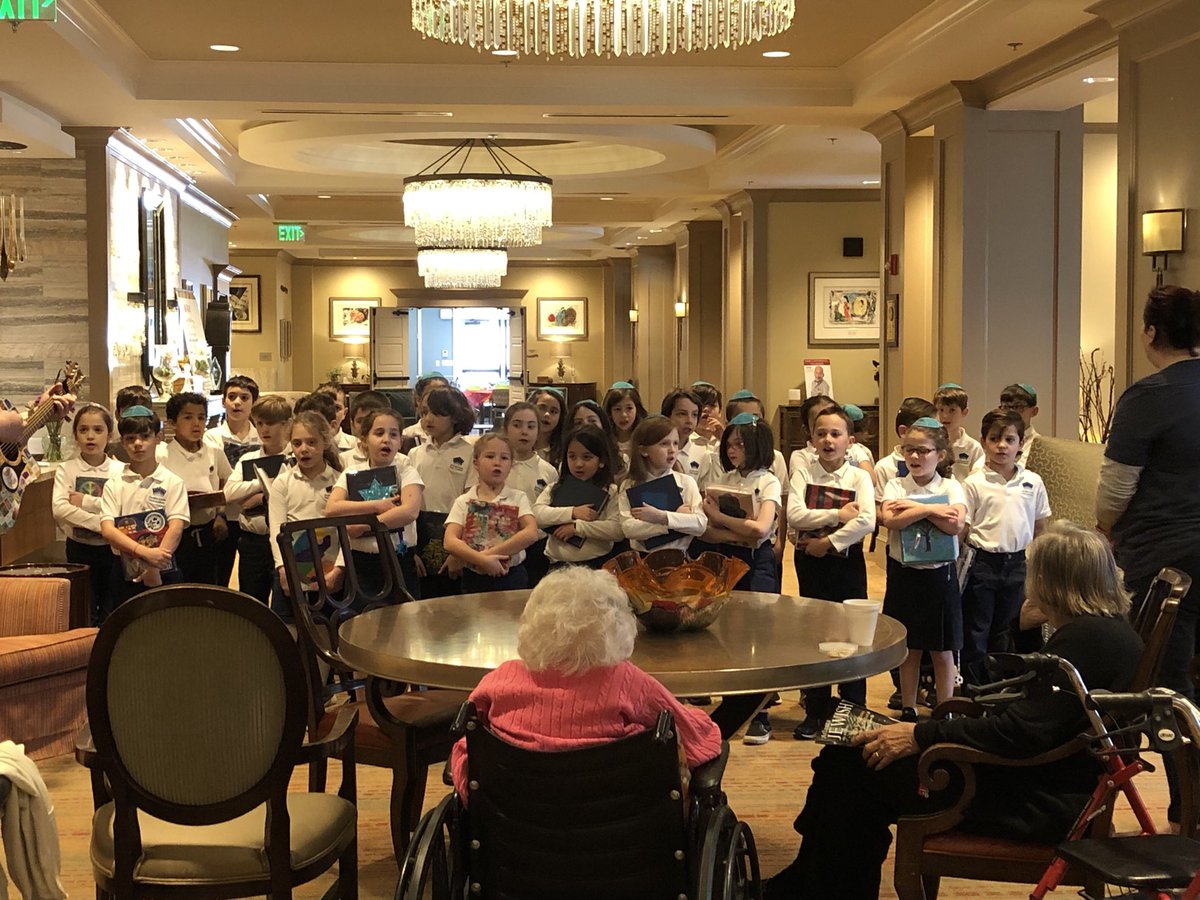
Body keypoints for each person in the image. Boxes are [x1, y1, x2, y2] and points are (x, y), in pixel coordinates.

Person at [764, 521, 1143, 900]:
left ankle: (816, 886)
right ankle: (817, 881)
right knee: (847, 761)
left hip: (1033, 799)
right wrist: (1025, 628)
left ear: (1053, 581)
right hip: (1032, 778)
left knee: (852, 767)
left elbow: (1021, 730)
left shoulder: (1088, 640)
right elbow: (1016, 693)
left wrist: (920, 735)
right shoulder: (1101, 630)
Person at [449, 566, 722, 801]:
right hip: (619, 838)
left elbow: (471, 733)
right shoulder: (628, 682)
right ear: (617, 625)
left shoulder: (501, 679)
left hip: (509, 834)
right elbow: (699, 740)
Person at [1097, 283, 1200, 828]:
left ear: (1152, 332)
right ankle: (1190, 814)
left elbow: (1115, 490)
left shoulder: (1149, 395)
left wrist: (1105, 529)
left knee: (1154, 682)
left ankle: (1177, 815)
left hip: (1165, 560)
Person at [787, 404, 876, 739]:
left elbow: (867, 520)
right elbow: (795, 515)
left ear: (849, 441)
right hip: (809, 562)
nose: (828, 439)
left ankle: (853, 706)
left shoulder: (859, 477)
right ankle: (817, 708)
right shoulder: (803, 474)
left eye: (836, 434)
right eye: (821, 433)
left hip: (845, 561)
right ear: (811, 438)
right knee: (817, 633)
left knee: (852, 632)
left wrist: (829, 542)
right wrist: (839, 515)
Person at [700, 412, 782, 745]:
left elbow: (762, 529)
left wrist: (722, 520)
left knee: (757, 635)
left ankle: (760, 715)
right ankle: (731, 705)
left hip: (758, 563)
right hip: (729, 557)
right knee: (727, 632)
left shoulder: (769, 480)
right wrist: (739, 535)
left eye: (740, 445)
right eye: (729, 444)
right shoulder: (727, 479)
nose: (733, 451)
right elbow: (706, 532)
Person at [878, 417, 966, 721]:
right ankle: (909, 706)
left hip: (939, 575)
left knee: (942, 650)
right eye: (909, 450)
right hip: (904, 574)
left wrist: (914, 510)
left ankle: (945, 710)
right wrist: (932, 509)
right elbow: (890, 519)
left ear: (939, 455)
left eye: (923, 451)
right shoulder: (895, 484)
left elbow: (955, 525)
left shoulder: (952, 487)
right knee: (909, 647)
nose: (915, 457)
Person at [959, 407, 1051, 687]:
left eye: (1010, 440)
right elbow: (964, 529)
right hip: (982, 563)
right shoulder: (973, 483)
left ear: (1020, 444)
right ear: (983, 440)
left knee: (1007, 629)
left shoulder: (1032, 482)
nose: (1002, 446)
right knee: (977, 629)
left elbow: (1040, 526)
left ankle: (1000, 689)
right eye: (995, 439)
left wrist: (1035, 563)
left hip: (1017, 565)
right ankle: (974, 689)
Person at [325, 407, 424, 603]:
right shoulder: (352, 473)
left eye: (393, 434)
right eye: (379, 433)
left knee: (403, 623)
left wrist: (364, 525)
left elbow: (409, 511)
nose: (386, 439)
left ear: (400, 441)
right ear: (363, 440)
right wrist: (378, 505)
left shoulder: (406, 471)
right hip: (361, 563)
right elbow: (332, 508)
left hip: (399, 560)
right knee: (363, 624)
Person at [98, 407, 188, 614]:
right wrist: (145, 553)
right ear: (122, 443)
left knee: (168, 624)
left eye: (145, 436)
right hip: (123, 568)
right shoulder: (115, 483)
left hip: (164, 567)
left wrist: (155, 566)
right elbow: (108, 530)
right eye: (130, 438)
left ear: (158, 437)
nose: (138, 444)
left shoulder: (173, 482)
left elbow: (176, 526)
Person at [269, 411, 345, 622]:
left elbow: (347, 531)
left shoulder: (340, 481)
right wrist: (282, 569)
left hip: (329, 569)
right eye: (297, 443)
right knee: (287, 628)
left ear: (325, 442)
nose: (304, 449)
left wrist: (340, 569)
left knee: (330, 627)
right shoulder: (283, 483)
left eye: (312, 442)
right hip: (291, 566)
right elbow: (276, 529)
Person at [51, 403, 123, 625]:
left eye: (98, 430)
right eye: (83, 430)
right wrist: (103, 521)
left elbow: (122, 509)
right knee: (84, 609)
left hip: (113, 550)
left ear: (109, 435)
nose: (90, 436)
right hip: (79, 549)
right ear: (75, 435)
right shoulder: (67, 469)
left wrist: (86, 503)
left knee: (111, 610)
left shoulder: (120, 470)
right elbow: (60, 509)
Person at [443, 432, 540, 593]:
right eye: (490, 456)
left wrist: (488, 556)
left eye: (504, 458)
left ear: (511, 465)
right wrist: (481, 561)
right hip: (475, 578)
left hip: (512, 576)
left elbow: (531, 533)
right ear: (476, 463)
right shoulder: (464, 500)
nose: (497, 463)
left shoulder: (517, 497)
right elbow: (450, 541)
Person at [222, 394, 292, 605]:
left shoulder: (294, 459)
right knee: (252, 602)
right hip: (254, 540)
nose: (264, 430)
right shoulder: (248, 459)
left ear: (287, 424)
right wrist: (263, 483)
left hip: (286, 539)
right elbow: (229, 493)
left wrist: (260, 498)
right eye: (259, 423)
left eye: (270, 423)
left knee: (287, 601)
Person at [407, 386, 477, 598]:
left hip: (454, 532)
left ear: (456, 415)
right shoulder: (414, 453)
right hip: (420, 533)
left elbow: (472, 502)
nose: (429, 418)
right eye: (425, 412)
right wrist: (410, 552)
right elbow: (406, 504)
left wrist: (460, 552)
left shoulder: (470, 452)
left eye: (438, 413)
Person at [158, 392, 232, 584]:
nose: (196, 424)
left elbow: (226, 480)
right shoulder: (162, 454)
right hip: (174, 533)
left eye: (201, 417)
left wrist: (220, 514)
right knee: (178, 586)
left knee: (209, 585)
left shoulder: (213, 451)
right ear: (173, 423)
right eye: (188, 417)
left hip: (208, 530)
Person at [534, 425, 625, 568]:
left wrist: (578, 527)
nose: (578, 464)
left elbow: (617, 529)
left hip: (596, 564)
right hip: (558, 564)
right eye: (572, 456)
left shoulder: (610, 491)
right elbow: (537, 515)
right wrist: (572, 512)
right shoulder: (555, 487)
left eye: (587, 457)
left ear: (601, 461)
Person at [619, 416, 707, 554]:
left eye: (676, 443)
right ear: (643, 450)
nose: (672, 450)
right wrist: (671, 522)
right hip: (641, 559)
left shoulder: (686, 482)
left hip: (678, 557)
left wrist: (662, 517)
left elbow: (700, 524)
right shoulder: (630, 485)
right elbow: (629, 528)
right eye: (664, 444)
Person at [204, 375, 261, 587]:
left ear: (253, 402)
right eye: (232, 397)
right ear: (223, 401)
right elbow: (214, 480)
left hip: (255, 517)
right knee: (220, 576)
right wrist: (219, 514)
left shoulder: (261, 436)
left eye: (244, 398)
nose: (237, 402)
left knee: (251, 580)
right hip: (224, 516)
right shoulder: (211, 436)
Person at [502, 401, 558, 586]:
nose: (524, 431)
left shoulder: (548, 471)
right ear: (506, 429)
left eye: (531, 426)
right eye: (517, 425)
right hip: (502, 542)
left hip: (537, 546)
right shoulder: (498, 465)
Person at [933, 382, 983, 481]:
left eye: (952, 410)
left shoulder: (973, 447)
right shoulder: (930, 443)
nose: (945, 416)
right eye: (941, 410)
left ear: (964, 412)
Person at [660, 387, 709, 486]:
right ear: (667, 415)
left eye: (694, 415)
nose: (689, 420)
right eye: (682, 414)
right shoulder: (655, 449)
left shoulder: (703, 452)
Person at [403, 372, 451, 448]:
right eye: (432, 394)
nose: (437, 400)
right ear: (418, 400)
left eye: (443, 395)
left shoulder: (459, 440)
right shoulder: (406, 436)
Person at [602, 380, 647, 457]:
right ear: (610, 412)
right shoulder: (603, 439)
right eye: (617, 409)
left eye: (629, 408)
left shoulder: (646, 437)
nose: (623, 415)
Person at [999, 382, 1040, 456]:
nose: (1011, 412)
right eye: (1005, 407)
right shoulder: (995, 440)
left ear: (1034, 411)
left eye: (1017, 407)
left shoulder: (1040, 446)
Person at [531, 387, 568, 468]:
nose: (547, 414)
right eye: (542, 408)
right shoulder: (518, 445)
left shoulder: (565, 451)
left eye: (553, 411)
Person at [689, 380, 725, 451]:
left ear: (720, 411)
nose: (706, 409)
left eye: (712, 405)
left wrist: (724, 439)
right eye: (701, 405)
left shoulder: (725, 443)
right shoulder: (684, 442)